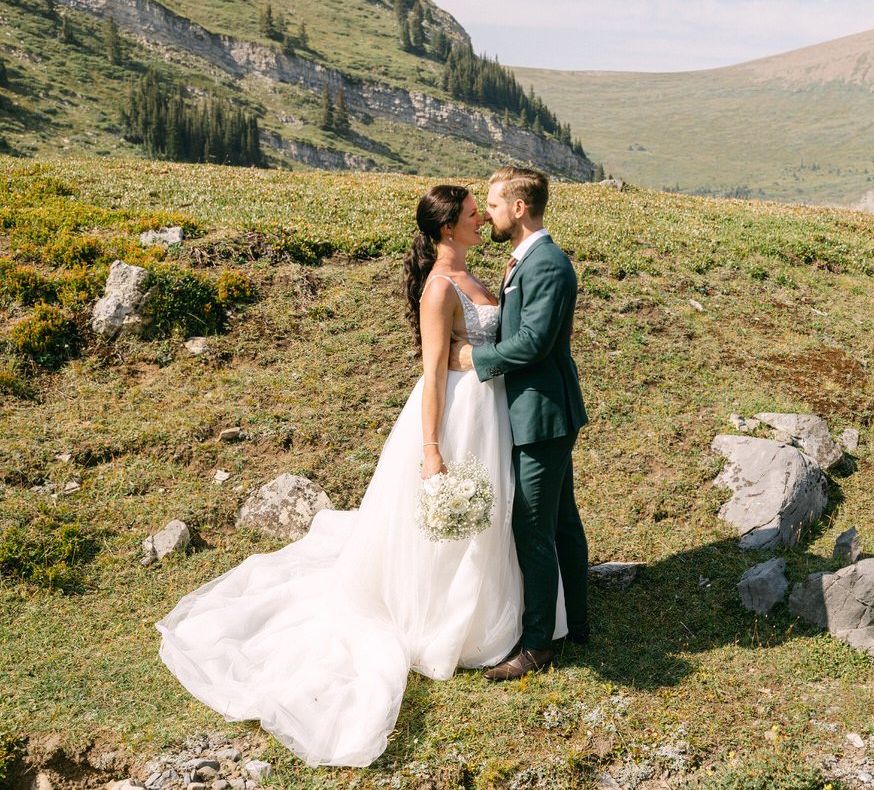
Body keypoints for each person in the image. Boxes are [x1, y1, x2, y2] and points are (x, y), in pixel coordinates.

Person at [156, 183, 562, 767]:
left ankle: (498, 604)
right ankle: (450, 616)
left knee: (494, 515)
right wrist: (431, 451)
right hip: (457, 417)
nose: (483, 220)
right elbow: (432, 376)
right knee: (454, 522)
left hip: (493, 411)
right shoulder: (438, 289)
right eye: (474, 215)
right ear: (448, 229)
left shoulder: (479, 275)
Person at [450, 166, 589, 681]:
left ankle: (536, 646)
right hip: (536, 411)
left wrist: (474, 361)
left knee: (531, 524)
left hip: (543, 415)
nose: (484, 213)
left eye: (490, 205)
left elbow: (534, 342)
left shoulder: (547, 264)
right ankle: (575, 623)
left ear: (518, 208)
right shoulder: (524, 260)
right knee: (560, 520)